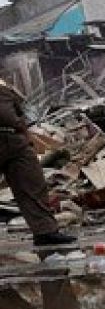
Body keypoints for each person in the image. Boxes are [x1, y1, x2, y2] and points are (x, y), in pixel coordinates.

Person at [0, 77, 76, 247]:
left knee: (32, 185)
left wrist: (27, 139)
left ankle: (45, 232)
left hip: (14, 139)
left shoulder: (5, 87)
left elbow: (19, 114)